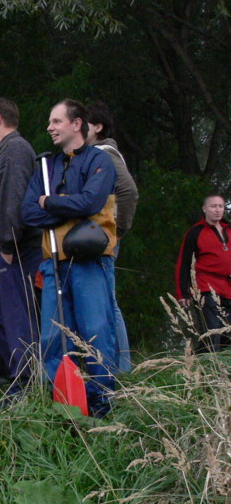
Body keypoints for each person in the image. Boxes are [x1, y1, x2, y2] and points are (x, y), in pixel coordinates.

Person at [21, 98, 118, 417]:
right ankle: (61, 403)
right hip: (53, 261)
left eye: (56, 121)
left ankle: (103, 402)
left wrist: (49, 202)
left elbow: (90, 203)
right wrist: (65, 207)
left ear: (77, 124)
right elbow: (28, 212)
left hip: (90, 260)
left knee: (95, 329)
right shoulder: (45, 166)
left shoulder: (100, 160)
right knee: (53, 336)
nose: (49, 127)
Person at [0, 98, 40, 400]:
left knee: (17, 317)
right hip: (6, 249)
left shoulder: (15, 150)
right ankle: (22, 378)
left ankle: (27, 384)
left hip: (15, 250)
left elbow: (14, 199)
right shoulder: (6, 151)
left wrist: (8, 242)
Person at [86, 101, 139, 371]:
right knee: (102, 301)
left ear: (98, 127)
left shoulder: (104, 152)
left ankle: (122, 367)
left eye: (83, 122)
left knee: (107, 301)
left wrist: (117, 230)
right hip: (97, 238)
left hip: (103, 238)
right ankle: (111, 366)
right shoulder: (93, 153)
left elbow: (128, 191)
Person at [176, 194, 231, 351]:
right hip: (206, 287)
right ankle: (207, 363)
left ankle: (200, 362)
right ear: (205, 209)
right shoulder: (195, 232)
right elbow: (184, 263)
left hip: (228, 287)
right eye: (213, 206)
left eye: (220, 206)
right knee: (212, 333)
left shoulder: (229, 230)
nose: (217, 210)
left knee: (227, 336)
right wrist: (182, 293)